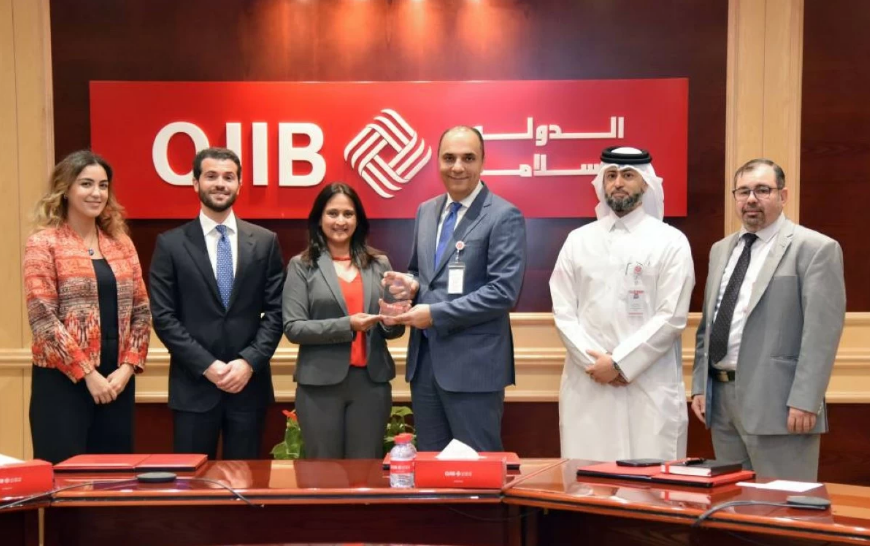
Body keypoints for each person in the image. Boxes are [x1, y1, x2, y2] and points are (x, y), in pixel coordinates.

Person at [691, 158, 845, 481]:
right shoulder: (720, 250)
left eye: (762, 190)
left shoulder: (815, 249)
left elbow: (822, 335)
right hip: (721, 403)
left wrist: (806, 400)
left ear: (783, 195)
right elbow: (709, 324)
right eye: (743, 191)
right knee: (734, 503)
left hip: (782, 405)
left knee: (781, 503)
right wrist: (700, 387)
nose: (751, 199)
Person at [386, 125, 527, 452]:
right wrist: (410, 284)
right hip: (425, 366)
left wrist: (435, 314)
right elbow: (420, 271)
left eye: (468, 158)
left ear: (483, 162)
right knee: (431, 466)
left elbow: (503, 292)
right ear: (438, 161)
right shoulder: (426, 210)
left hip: (474, 368)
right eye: (449, 158)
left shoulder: (503, 215)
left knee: (477, 467)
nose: (458, 167)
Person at [549, 146, 694, 461]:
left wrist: (619, 363)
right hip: (588, 383)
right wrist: (596, 365)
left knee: (649, 479)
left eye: (628, 175)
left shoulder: (671, 241)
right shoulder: (578, 240)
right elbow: (563, 312)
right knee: (589, 477)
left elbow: (671, 316)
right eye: (611, 175)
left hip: (649, 384)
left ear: (645, 183)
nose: (618, 183)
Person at [150, 147, 284, 459]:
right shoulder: (170, 244)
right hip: (193, 386)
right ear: (195, 182)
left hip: (248, 386)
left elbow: (276, 312)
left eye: (228, 177)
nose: (220, 183)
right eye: (211, 176)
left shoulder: (265, 242)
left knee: (246, 481)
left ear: (240, 184)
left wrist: (248, 362)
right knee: (192, 483)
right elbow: (164, 317)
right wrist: (207, 366)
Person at [25, 150, 151, 464]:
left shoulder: (120, 242)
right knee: (65, 479)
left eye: (103, 185)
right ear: (65, 189)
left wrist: (127, 368)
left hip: (116, 382)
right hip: (62, 382)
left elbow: (141, 310)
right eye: (86, 184)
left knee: (115, 478)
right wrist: (87, 374)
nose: (96, 193)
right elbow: (43, 319)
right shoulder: (44, 243)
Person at [282, 183, 404, 459]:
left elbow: (390, 329)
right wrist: (347, 324)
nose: (340, 221)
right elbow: (293, 327)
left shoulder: (379, 263)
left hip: (371, 384)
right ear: (319, 219)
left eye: (348, 214)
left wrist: (393, 320)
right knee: (322, 471)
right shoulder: (302, 265)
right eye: (332, 213)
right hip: (320, 386)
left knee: (365, 469)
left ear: (358, 219)